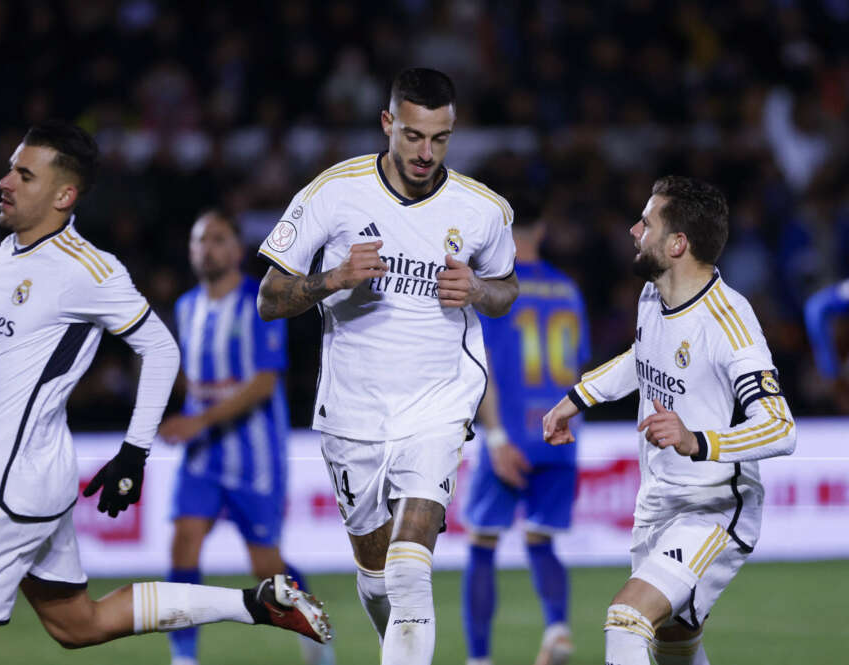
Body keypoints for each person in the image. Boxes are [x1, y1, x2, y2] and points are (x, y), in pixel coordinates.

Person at [0, 121, 330, 665]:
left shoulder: (87, 269)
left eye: (24, 174)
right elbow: (11, 367)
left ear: (63, 195)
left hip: (2, 488)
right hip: (33, 475)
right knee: (77, 623)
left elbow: (161, 350)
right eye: (10, 168)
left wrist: (134, 453)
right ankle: (256, 605)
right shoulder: (5, 253)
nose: (5, 182)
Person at [256, 68, 520, 665]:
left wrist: (477, 288)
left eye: (440, 139)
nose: (426, 153)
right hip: (352, 411)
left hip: (438, 404)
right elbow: (269, 300)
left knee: (407, 571)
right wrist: (335, 278)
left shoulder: (483, 210)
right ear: (387, 124)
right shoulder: (333, 193)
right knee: (377, 577)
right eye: (413, 136)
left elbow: (507, 291)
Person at [543, 176, 796, 665]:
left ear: (677, 244)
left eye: (648, 222)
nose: (634, 230)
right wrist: (577, 397)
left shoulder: (730, 324)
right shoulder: (652, 295)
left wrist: (697, 440)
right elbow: (642, 356)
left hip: (714, 505)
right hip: (658, 498)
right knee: (672, 643)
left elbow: (781, 426)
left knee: (627, 620)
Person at [158, 210, 335, 665]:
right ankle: (184, 656)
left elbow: (262, 385)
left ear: (236, 250)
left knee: (265, 567)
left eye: (217, 239)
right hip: (202, 458)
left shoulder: (260, 302)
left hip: (254, 457)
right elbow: (195, 377)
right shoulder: (185, 307)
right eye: (200, 241)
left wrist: (196, 421)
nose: (207, 249)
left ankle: (314, 630)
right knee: (184, 542)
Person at [461, 194, 589, 665]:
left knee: (482, 543)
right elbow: (578, 367)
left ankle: (479, 659)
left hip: (509, 434)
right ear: (544, 230)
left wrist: (495, 438)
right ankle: (556, 627)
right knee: (541, 539)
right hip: (559, 436)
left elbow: (483, 366)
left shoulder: (496, 289)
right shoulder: (569, 290)